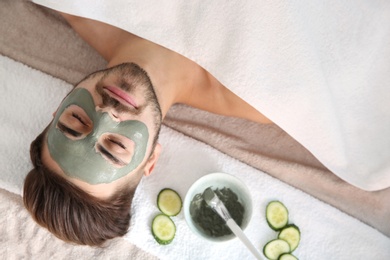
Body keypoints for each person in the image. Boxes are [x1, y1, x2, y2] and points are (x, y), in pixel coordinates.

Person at [23, 11, 272, 246]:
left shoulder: (79, 6)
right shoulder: (264, 97)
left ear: (58, 110)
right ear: (151, 160)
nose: (106, 115)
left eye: (75, 121)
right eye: (116, 146)